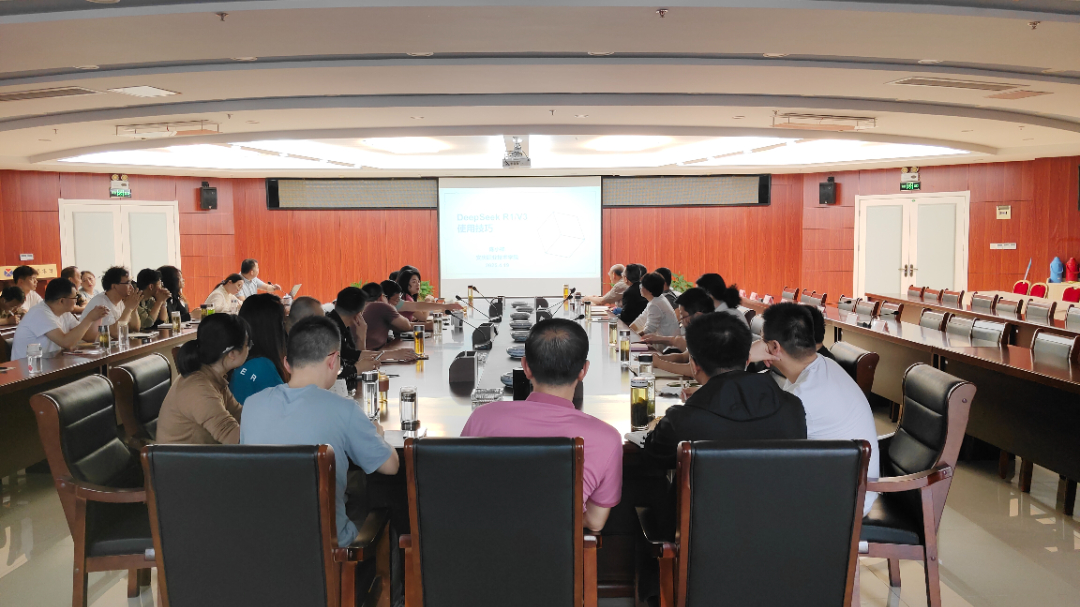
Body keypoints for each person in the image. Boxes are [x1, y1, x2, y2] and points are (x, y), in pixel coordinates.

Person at [240, 316, 399, 547]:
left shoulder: (252, 405)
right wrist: (379, 435)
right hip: (327, 550)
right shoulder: (344, 410)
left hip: (261, 543)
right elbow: (391, 466)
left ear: (287, 364)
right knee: (382, 511)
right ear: (333, 360)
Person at [461, 318, 622, 532]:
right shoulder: (606, 438)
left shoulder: (482, 418)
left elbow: (461, 493)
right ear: (583, 370)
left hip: (479, 547)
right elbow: (595, 522)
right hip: (556, 552)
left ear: (526, 367)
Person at [750, 302, 879, 515]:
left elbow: (760, 446)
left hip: (844, 504)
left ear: (774, 348)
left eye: (762, 341)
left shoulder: (802, 398)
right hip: (848, 484)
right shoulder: (824, 364)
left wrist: (745, 357)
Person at [643, 313, 807, 468]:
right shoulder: (792, 408)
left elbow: (652, 455)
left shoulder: (682, 420)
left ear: (694, 365)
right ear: (748, 359)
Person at [156, 313, 250, 444]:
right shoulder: (198, 388)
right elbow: (235, 439)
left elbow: (240, 415)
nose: (249, 348)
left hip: (202, 455)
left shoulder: (212, 377)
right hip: (183, 457)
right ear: (232, 353)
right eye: (248, 344)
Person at [10, 278, 108, 360]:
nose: (76, 301)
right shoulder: (39, 313)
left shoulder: (65, 313)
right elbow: (66, 342)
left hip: (50, 364)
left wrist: (97, 317)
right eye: (75, 297)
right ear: (62, 301)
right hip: (29, 369)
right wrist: (89, 318)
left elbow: (88, 337)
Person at [230, 294, 288, 404]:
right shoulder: (261, 366)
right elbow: (287, 407)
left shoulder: (240, 362)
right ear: (274, 328)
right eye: (283, 323)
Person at [650, 287, 715, 377]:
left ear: (698, 316)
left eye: (683, 316)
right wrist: (656, 359)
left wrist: (659, 363)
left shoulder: (713, 335)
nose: (682, 322)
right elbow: (684, 357)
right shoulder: (700, 333)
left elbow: (695, 371)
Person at [84, 266, 142, 336]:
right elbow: (115, 333)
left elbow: (135, 329)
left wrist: (134, 309)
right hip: (97, 342)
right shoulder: (100, 303)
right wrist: (128, 309)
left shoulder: (121, 301)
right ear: (114, 286)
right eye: (127, 283)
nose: (131, 287)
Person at [363, 283, 414, 350]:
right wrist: (391, 307)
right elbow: (406, 326)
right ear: (381, 297)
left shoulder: (363, 307)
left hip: (365, 352)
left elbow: (397, 327)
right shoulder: (380, 306)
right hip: (374, 352)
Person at [631, 272, 680, 338]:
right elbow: (642, 319)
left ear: (649, 290)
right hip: (665, 339)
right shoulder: (657, 299)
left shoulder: (655, 304)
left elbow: (649, 330)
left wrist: (632, 337)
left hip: (666, 342)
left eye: (642, 285)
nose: (640, 288)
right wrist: (629, 330)